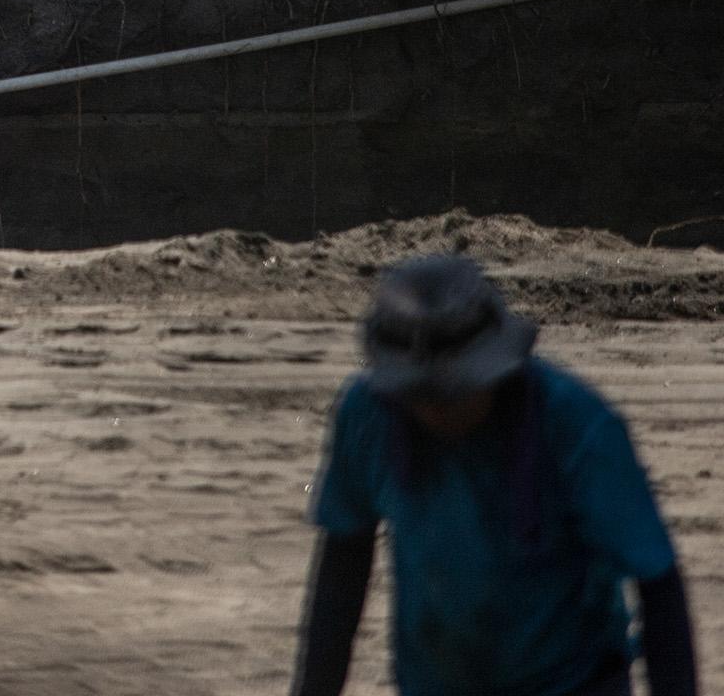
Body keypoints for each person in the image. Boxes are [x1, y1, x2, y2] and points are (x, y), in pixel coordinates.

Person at [291, 253, 699, 696]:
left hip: (570, 682)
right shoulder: (370, 416)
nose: (432, 411)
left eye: (451, 393)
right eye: (418, 394)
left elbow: (658, 582)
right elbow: (343, 565)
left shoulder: (577, 426)